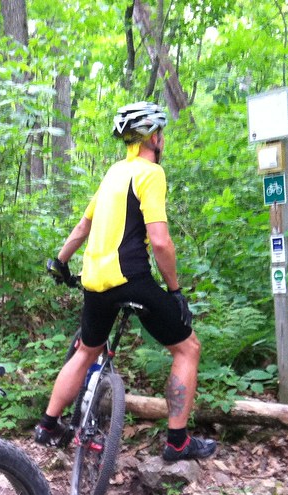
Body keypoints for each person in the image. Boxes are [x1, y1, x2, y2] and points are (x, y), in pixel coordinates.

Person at [34, 101, 217, 463]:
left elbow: (83, 227)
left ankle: (49, 424)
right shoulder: (150, 174)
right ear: (154, 138)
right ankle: (177, 441)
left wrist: (60, 261)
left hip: (94, 283)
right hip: (131, 279)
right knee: (187, 348)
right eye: (161, 133)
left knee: (86, 351)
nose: (162, 140)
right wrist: (176, 291)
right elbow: (160, 241)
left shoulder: (114, 174)